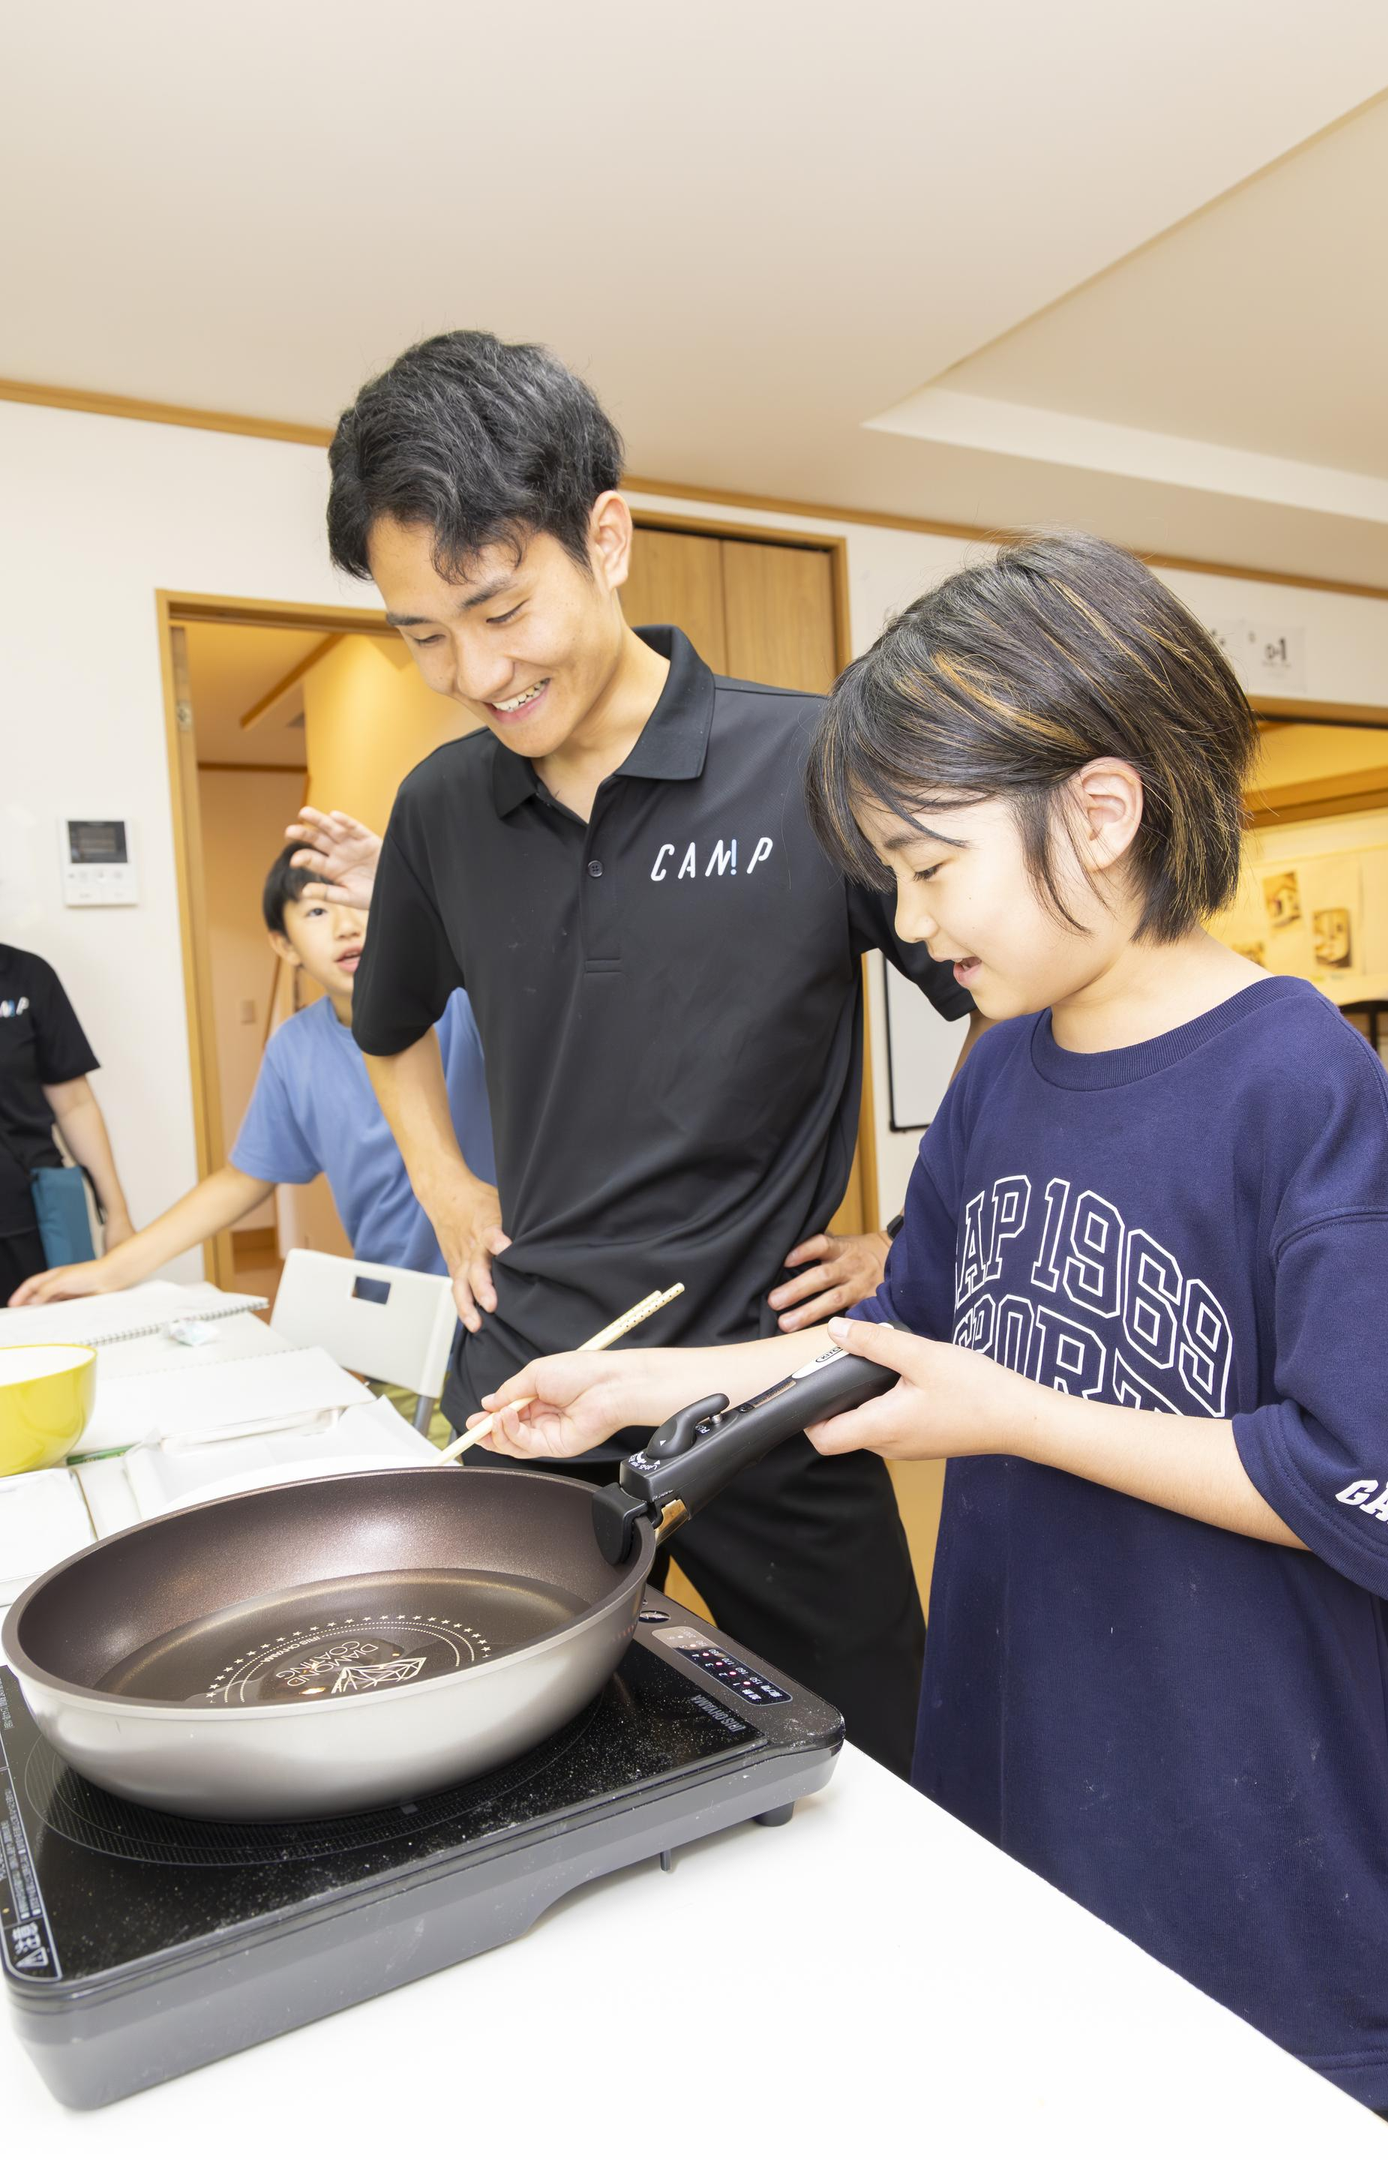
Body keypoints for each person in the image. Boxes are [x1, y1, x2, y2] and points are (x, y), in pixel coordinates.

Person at [471, 533, 1388, 2142]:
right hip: (1046, 1764)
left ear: (1103, 813)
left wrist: (1015, 1414)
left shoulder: (1304, 1088)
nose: (911, 921)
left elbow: (1379, 1482)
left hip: (1263, 1838)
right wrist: (641, 1382)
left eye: (929, 866)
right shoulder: (1000, 1075)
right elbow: (906, 1344)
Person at [307, 329, 975, 1777]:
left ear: (605, 538)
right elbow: (389, 1026)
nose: (475, 671)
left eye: (500, 609)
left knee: (883, 1760)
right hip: (536, 1377)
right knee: (500, 1756)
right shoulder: (440, 811)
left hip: (771, 1383)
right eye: (424, 635)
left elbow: (1011, 998)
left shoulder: (812, 767)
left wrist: (922, 1235)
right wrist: (446, 1187)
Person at [12, 849, 495, 1438]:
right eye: (317, 911)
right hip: (396, 1323)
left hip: (500, 1306)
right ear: (284, 946)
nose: (347, 925)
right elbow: (244, 1177)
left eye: (360, 902)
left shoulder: (467, 1004)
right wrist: (110, 1270)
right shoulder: (295, 1048)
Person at [0, 942, 132, 1304]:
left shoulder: (27, 975)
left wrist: (117, 1214)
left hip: (33, 1214)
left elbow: (75, 1104)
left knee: (55, 1333)